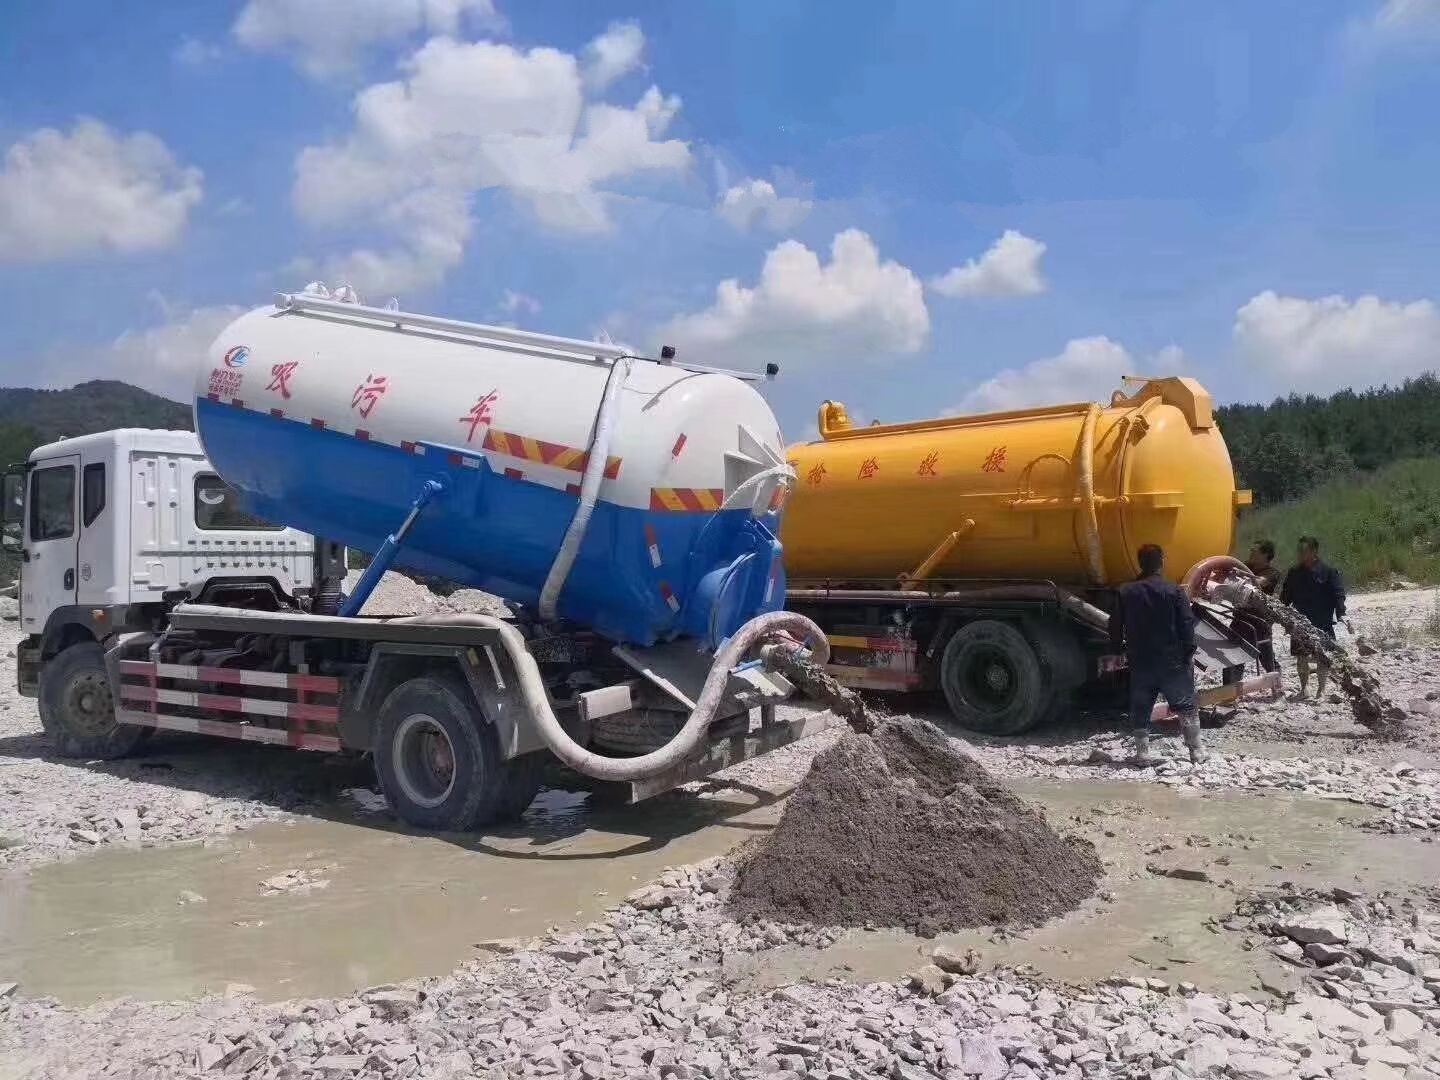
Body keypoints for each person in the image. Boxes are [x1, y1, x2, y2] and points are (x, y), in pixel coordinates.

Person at [1108, 543, 1206, 766]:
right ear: (1161, 562)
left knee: (1141, 705)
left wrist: (1117, 650)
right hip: (1171, 659)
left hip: (1140, 660)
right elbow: (1186, 623)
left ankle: (1142, 754)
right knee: (1186, 704)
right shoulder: (1174, 591)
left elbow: (1115, 625)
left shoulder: (1125, 592)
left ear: (1139, 563)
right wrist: (1189, 651)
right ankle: (1196, 751)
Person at [1279, 536, 1351, 700]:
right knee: (1301, 657)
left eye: (1304, 550)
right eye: (1299, 550)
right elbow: (1285, 597)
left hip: (1322, 622)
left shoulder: (1328, 571)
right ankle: (1304, 690)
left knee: (1323, 657)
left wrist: (1342, 614)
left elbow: (1339, 594)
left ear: (1314, 551)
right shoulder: (1294, 573)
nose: (1300, 553)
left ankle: (1321, 690)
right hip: (1300, 623)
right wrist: (1282, 615)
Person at [1224, 540, 1283, 692]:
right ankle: (1230, 693)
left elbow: (1258, 583)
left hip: (1259, 622)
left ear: (1265, 555)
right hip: (1240, 618)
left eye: (1254, 551)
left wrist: (1240, 574)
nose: (1250, 552)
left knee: (1266, 658)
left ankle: (1277, 687)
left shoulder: (1272, 573)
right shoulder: (1245, 566)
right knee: (1233, 654)